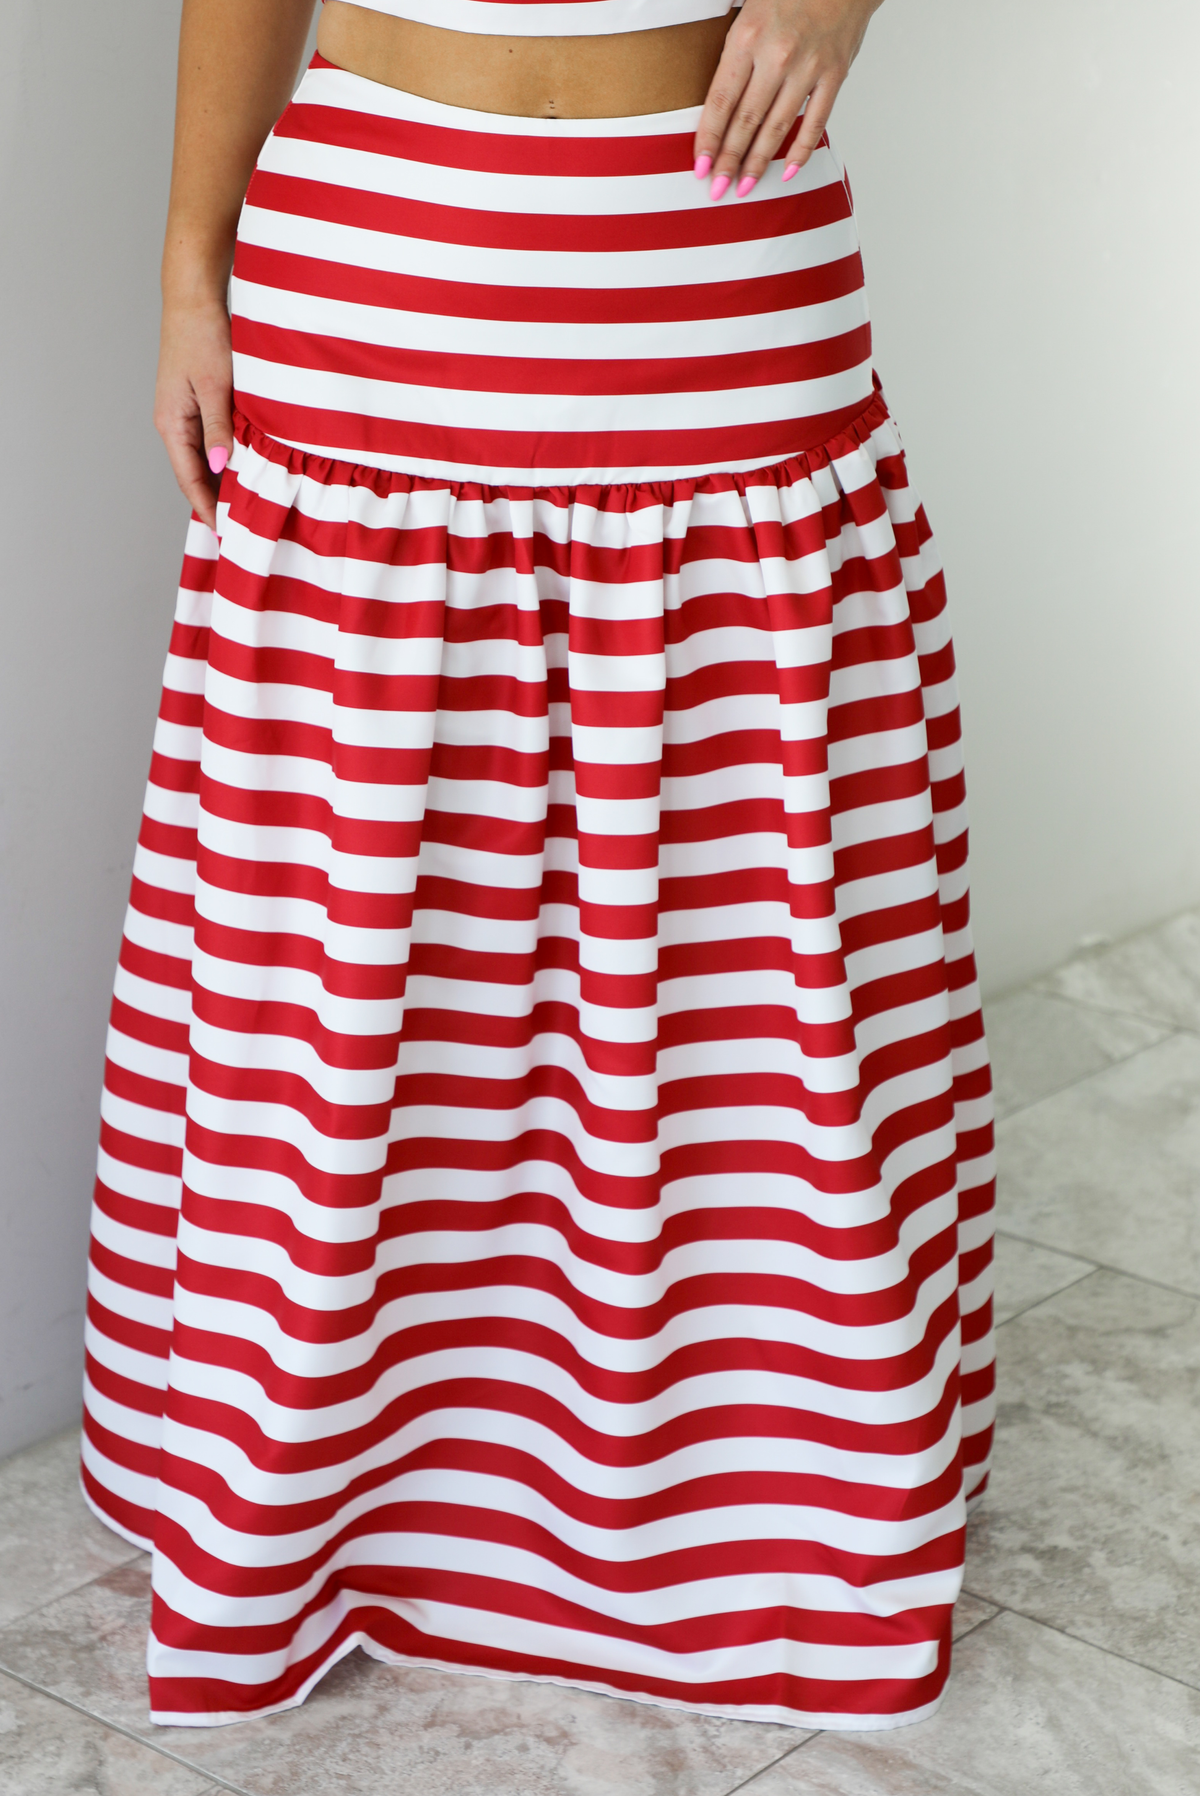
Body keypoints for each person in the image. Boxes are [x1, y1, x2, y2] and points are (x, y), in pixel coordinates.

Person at [82, 0, 996, 1731]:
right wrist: (188, 266)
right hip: (369, 252)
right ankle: (329, 1508)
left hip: (717, 245)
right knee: (347, 951)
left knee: (758, 926)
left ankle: (771, 1523)